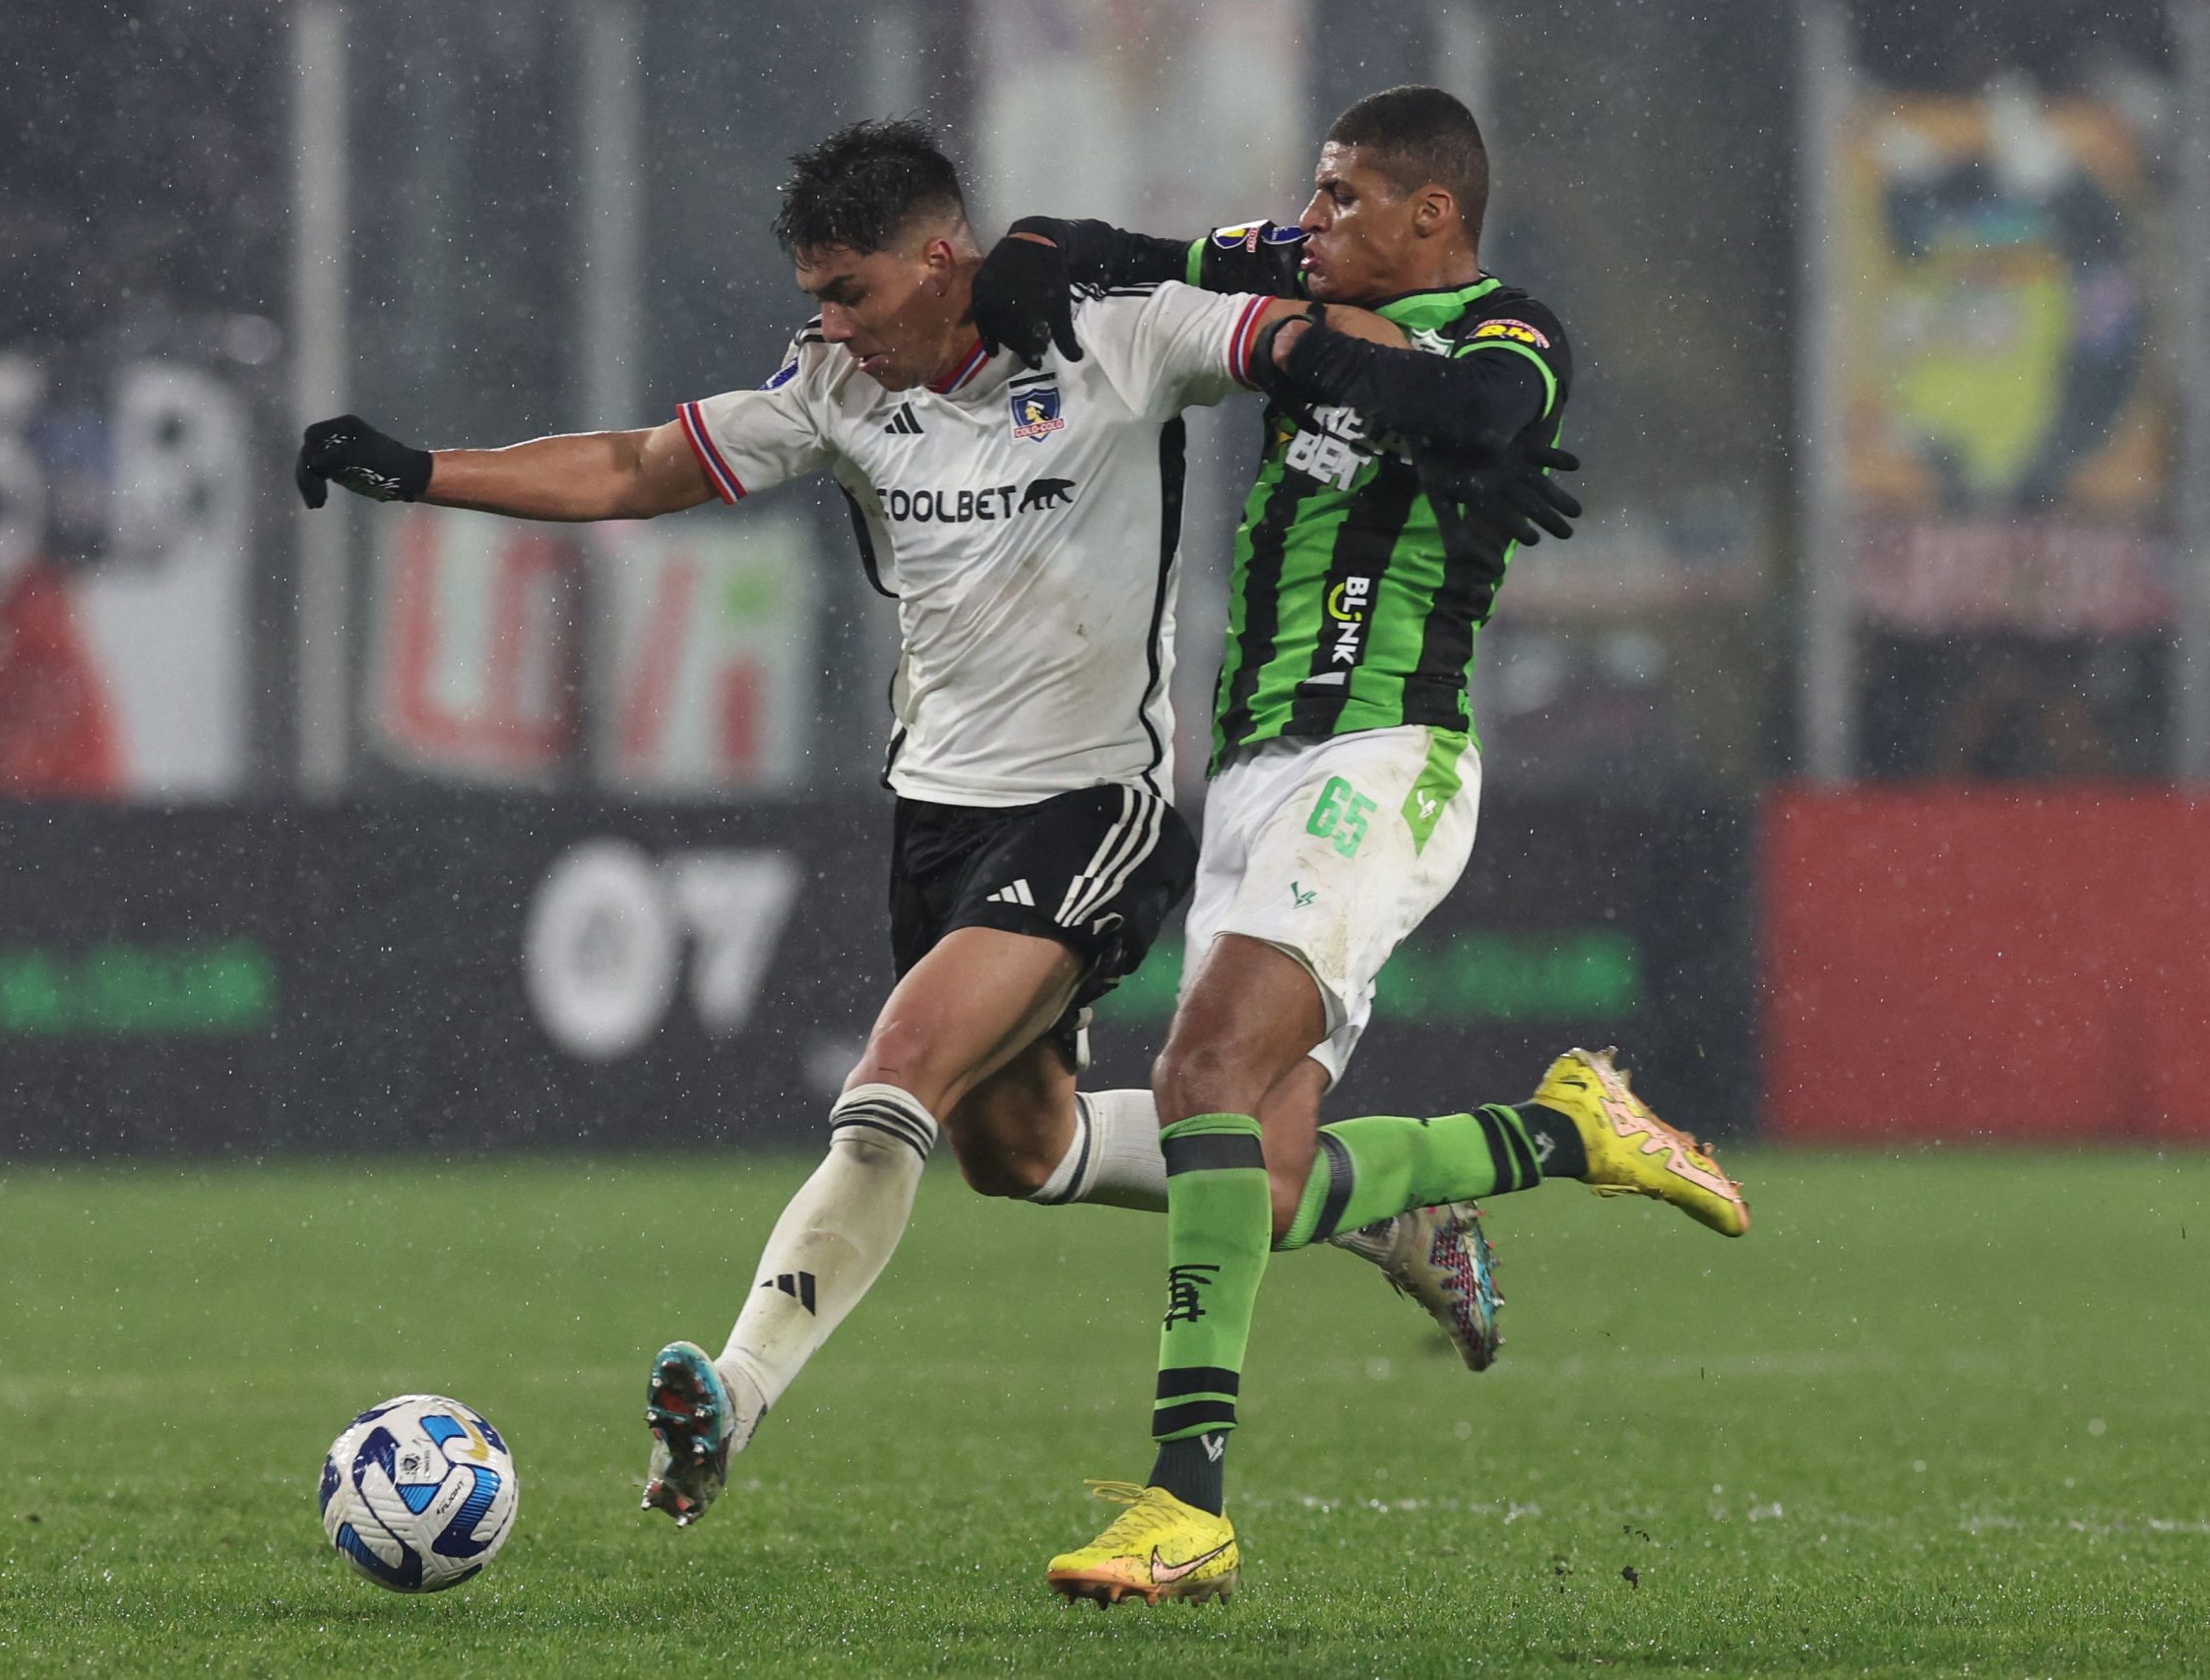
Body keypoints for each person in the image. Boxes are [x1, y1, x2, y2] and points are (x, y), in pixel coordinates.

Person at [296, 120, 1547, 1531]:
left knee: (895, 1075)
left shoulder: (1113, 344)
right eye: (815, 297)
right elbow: (636, 468)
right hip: (937, 817)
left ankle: (732, 1396)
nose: (829, 325)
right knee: (1023, 1154)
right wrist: (417, 472)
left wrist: (1471, 418)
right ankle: (1368, 1201)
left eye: (855, 293)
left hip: (1093, 809)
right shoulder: (835, 387)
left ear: (942, 261)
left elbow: (1299, 326)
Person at [961, 86, 1751, 1604]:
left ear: (1429, 214)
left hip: (1383, 758)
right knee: (1249, 1182)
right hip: (1254, 772)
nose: (1306, 223)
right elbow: (1064, 256)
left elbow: (1492, 410)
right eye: (1311, 203)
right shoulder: (1304, 279)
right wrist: (1338, 348)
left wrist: (1416, 394)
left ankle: (1184, 1505)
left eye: (1338, 201)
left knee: (1194, 1074)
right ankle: (1564, 1134)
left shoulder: (1511, 325)